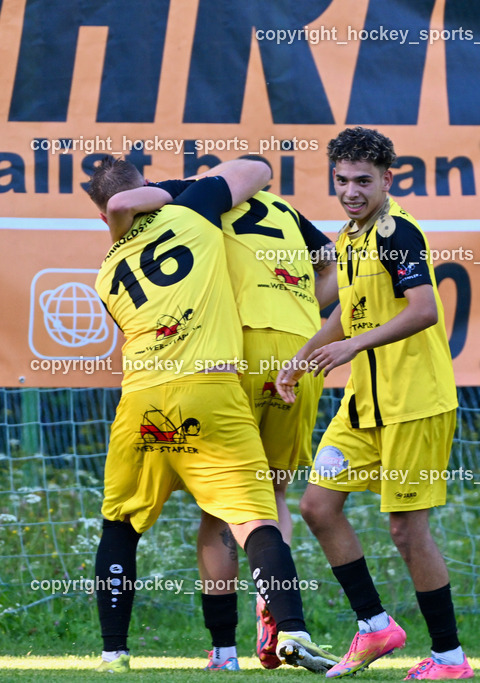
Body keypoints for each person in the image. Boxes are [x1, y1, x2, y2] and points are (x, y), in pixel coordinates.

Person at [87, 156, 338, 674]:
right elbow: (259, 167)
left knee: (121, 523)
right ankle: (288, 627)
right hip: (224, 379)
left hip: (142, 400)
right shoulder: (195, 211)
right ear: (150, 189)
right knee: (258, 510)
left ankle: (118, 653)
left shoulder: (106, 274)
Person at [275, 127, 473, 680]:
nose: (351, 191)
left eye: (364, 180)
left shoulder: (397, 232)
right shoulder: (351, 235)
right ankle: (374, 626)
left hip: (415, 402)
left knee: (407, 530)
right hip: (366, 403)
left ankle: (450, 659)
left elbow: (425, 309)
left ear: (388, 179)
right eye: (342, 180)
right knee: (317, 506)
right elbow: (347, 311)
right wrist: (302, 356)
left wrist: (351, 347)